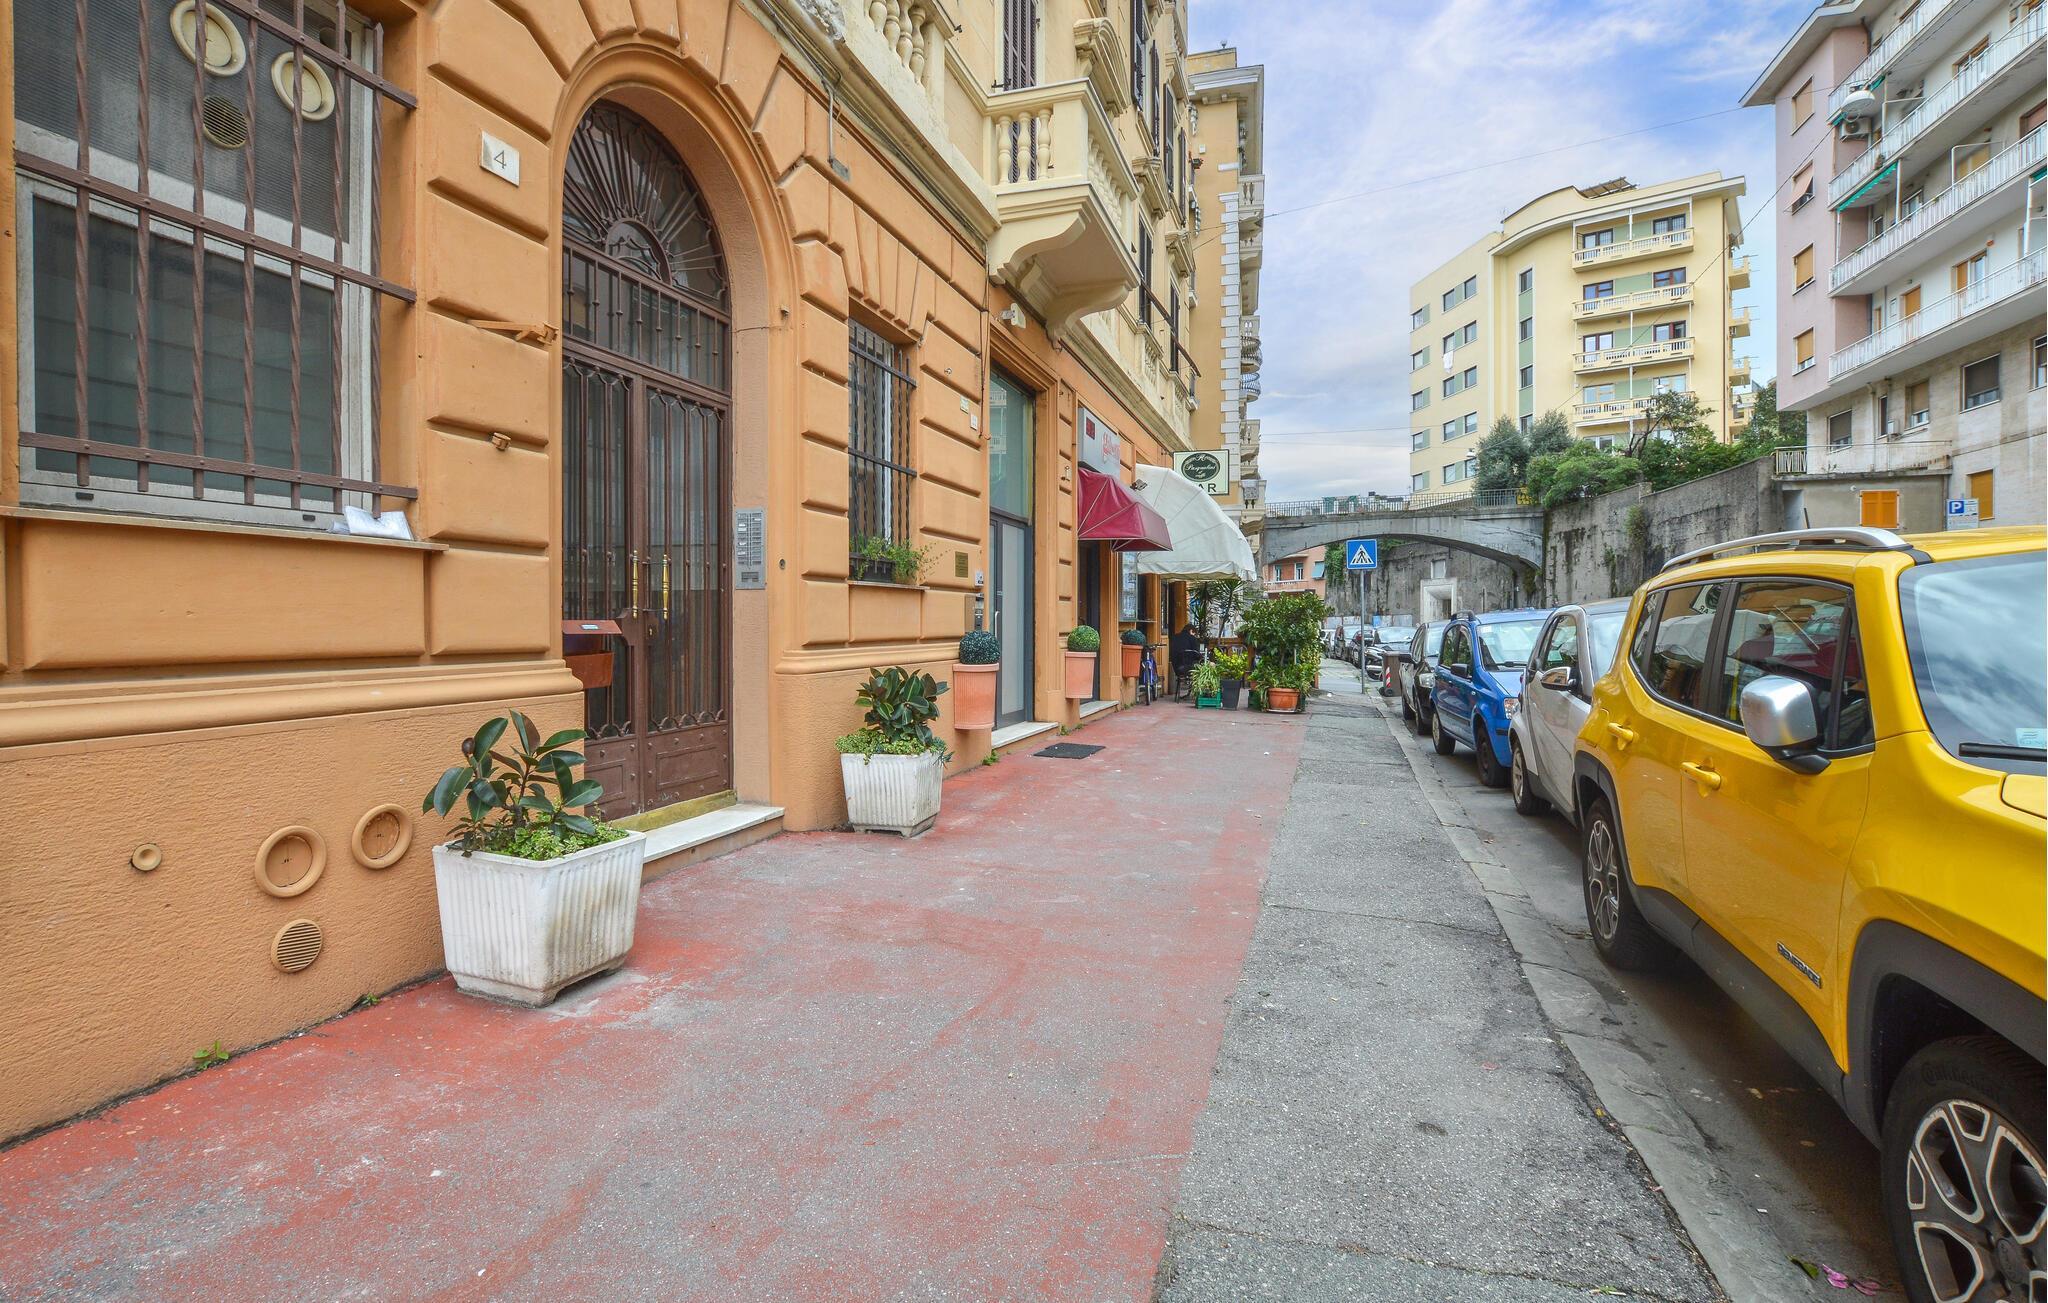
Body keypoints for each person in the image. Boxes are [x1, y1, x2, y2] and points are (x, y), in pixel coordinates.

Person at [1169, 622, 1202, 696]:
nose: (1194, 635)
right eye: (1194, 633)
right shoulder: (1192, 638)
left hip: (1176, 668)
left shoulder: (1175, 637)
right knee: (1202, 668)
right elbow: (1197, 654)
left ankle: (1181, 695)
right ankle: (1198, 694)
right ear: (1191, 631)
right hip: (1190, 668)